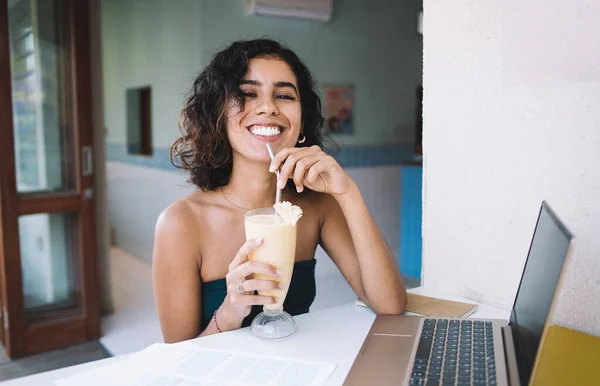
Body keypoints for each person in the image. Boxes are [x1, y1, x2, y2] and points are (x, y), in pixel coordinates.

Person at [152, 38, 406, 343]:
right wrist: (229, 313)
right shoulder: (180, 223)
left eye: (284, 95)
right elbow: (178, 359)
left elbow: (390, 305)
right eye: (248, 93)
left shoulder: (316, 207)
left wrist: (348, 193)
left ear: (302, 119)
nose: (268, 107)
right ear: (219, 115)